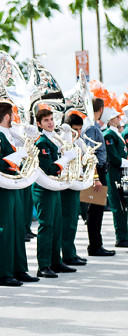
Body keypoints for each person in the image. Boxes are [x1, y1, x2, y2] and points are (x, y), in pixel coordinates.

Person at [0, 101, 40, 286]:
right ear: (7, 116)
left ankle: (19, 269)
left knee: (18, 228)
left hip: (14, 184)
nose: (15, 119)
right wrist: (19, 155)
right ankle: (3, 273)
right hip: (3, 185)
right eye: (13, 115)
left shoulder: (10, 135)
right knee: (5, 229)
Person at [32, 108, 78, 278]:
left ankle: (55, 262)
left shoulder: (54, 139)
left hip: (54, 187)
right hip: (44, 189)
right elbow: (50, 168)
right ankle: (43, 265)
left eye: (51, 119)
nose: (50, 123)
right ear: (39, 124)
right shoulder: (42, 142)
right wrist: (66, 159)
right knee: (47, 226)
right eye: (46, 120)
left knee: (57, 225)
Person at [84, 98, 115, 256]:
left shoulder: (92, 126)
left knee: (97, 210)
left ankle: (96, 244)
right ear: (101, 109)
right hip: (95, 173)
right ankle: (95, 246)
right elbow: (90, 155)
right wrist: (95, 177)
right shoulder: (92, 127)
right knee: (95, 211)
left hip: (97, 172)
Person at [60, 114, 88, 266]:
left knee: (73, 220)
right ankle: (67, 254)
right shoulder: (63, 141)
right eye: (74, 130)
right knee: (68, 221)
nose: (77, 133)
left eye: (79, 129)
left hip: (76, 183)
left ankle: (71, 252)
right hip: (66, 185)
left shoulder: (79, 142)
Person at [102, 107, 128, 247]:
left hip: (120, 172)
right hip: (113, 173)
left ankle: (124, 235)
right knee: (118, 204)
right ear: (110, 120)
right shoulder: (108, 135)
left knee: (123, 204)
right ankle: (122, 237)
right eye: (116, 117)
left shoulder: (115, 133)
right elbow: (113, 158)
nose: (119, 118)